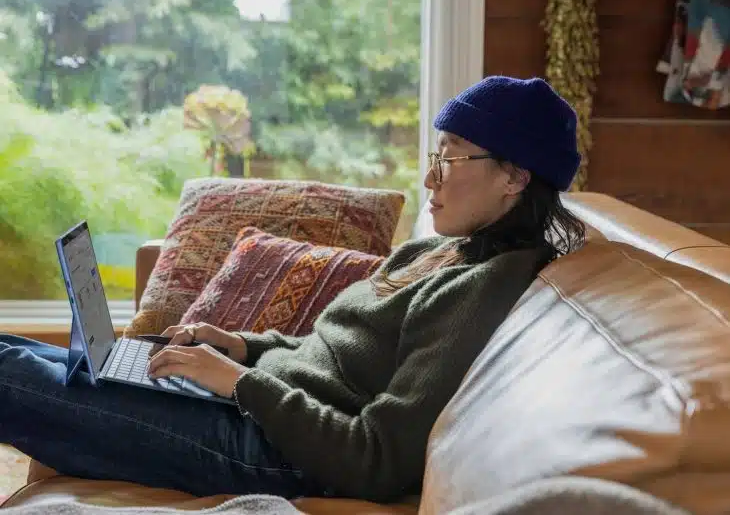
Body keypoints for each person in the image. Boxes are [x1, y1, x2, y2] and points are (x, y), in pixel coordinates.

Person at [0, 76, 585, 503]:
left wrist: (241, 383)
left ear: (515, 177)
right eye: (437, 155)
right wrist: (240, 347)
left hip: (273, 452)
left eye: (453, 159)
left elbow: (375, 459)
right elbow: (329, 357)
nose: (431, 177)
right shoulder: (436, 251)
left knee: (9, 378)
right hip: (252, 408)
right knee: (15, 352)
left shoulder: (484, 288)